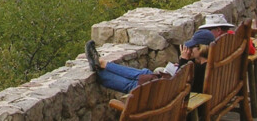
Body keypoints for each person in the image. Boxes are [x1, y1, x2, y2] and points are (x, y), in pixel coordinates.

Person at [85, 29, 214, 94]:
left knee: (134, 84)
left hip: (169, 95)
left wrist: (183, 60)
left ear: (201, 48)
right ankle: (103, 63)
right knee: (144, 73)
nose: (188, 50)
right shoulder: (209, 64)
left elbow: (179, 82)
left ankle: (100, 70)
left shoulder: (201, 68)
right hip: (171, 89)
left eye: (191, 47)